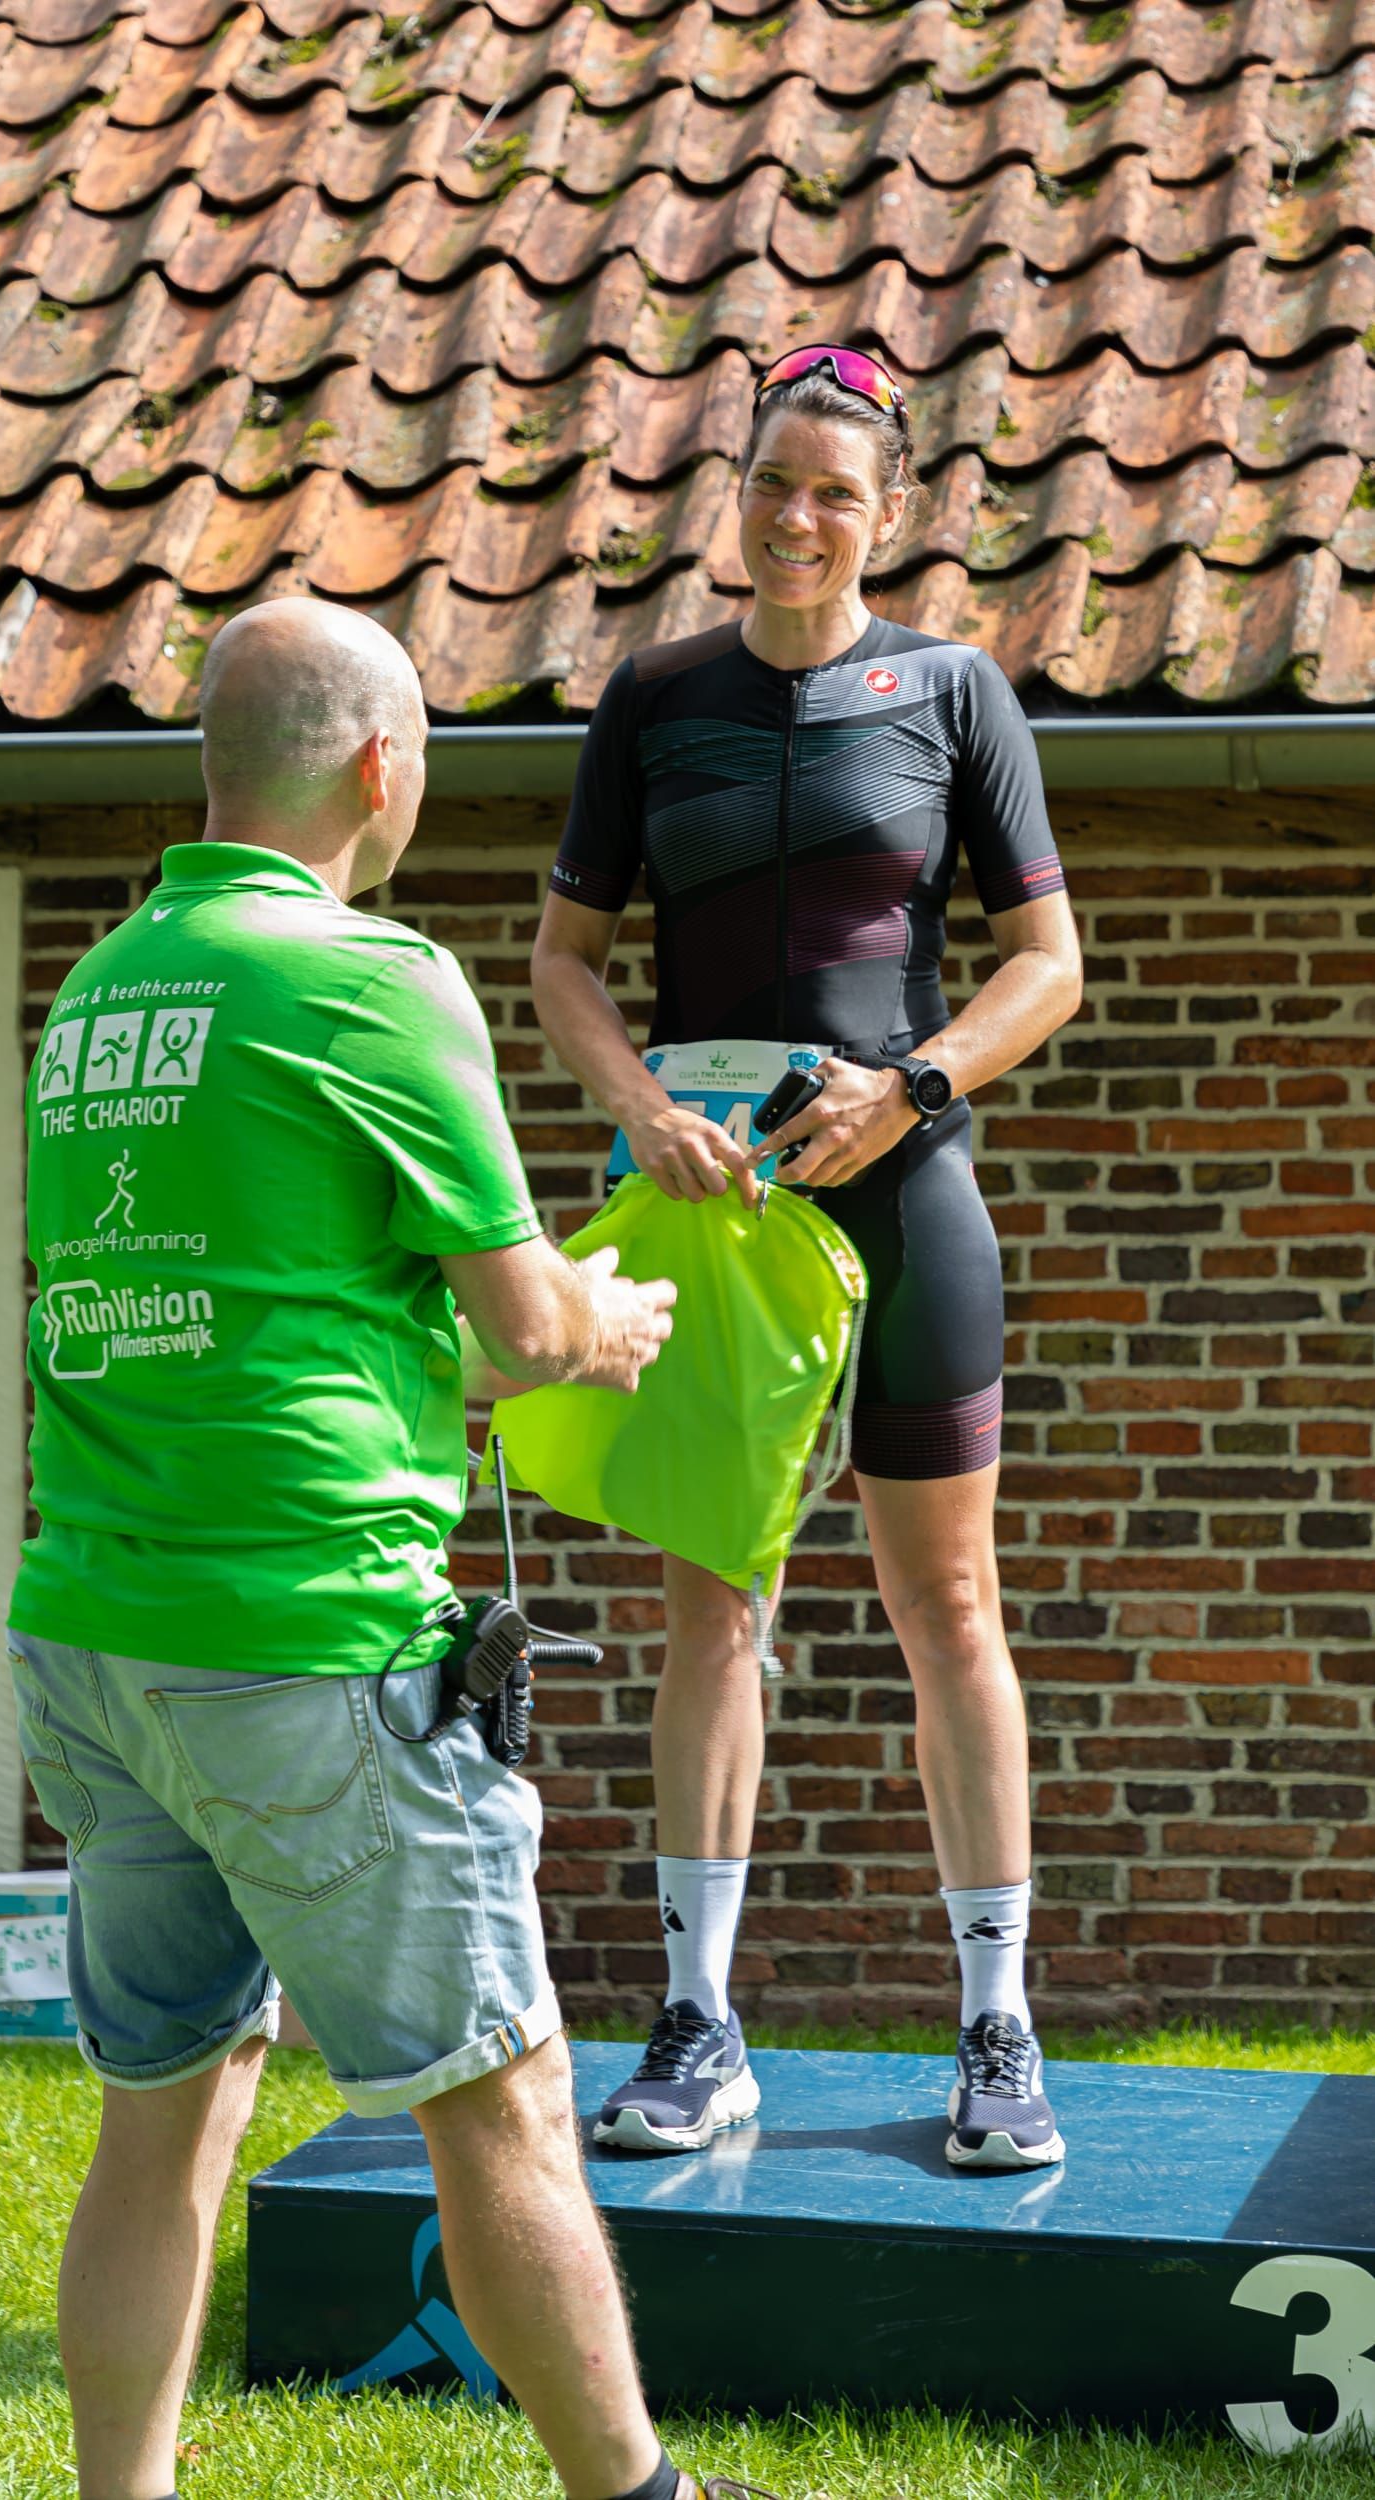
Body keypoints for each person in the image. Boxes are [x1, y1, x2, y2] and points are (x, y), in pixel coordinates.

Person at [7, 596, 780, 2500]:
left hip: (91, 1634)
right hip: (306, 1641)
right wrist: (600, 1325)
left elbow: (238, 1293)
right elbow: (529, 1330)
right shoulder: (373, 978)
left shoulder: (106, 989)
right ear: (384, 768)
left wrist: (445, 1359)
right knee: (501, 2095)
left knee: (166, 2117)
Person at [531, 345, 1084, 2171]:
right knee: (715, 1603)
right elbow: (562, 967)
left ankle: (997, 2031)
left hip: (904, 1186)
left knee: (953, 1612)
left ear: (889, 511)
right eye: (772, 481)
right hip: (716, 1203)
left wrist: (911, 1081)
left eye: (835, 491)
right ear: (736, 490)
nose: (796, 516)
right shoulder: (655, 695)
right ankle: (696, 2023)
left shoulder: (951, 690)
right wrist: (643, 1116)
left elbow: (1045, 967)